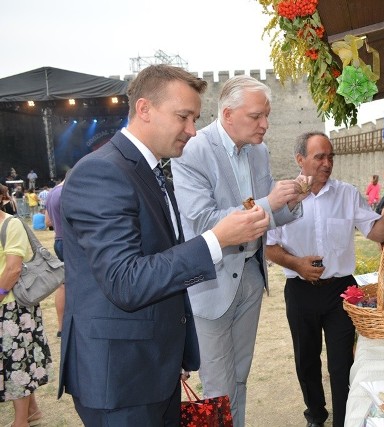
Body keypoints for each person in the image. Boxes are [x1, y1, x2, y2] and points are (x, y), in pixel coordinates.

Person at [58, 64, 271, 426]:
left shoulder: (152, 171)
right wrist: (217, 239)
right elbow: (126, 280)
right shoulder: (103, 172)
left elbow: (161, 263)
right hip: (121, 379)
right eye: (183, 117)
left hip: (152, 366)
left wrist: (175, 355)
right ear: (144, 110)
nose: (192, 130)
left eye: (195, 118)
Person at [172, 74, 309, 427]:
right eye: (256, 116)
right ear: (227, 114)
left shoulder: (258, 151)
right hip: (211, 283)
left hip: (249, 274)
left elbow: (266, 216)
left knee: (240, 376)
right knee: (218, 384)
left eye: (267, 115)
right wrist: (268, 200)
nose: (265, 124)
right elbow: (204, 222)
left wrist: (292, 201)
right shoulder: (194, 150)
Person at [265, 132, 384, 427]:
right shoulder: (281, 197)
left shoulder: (347, 194)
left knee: (342, 364)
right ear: (300, 159)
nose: (327, 163)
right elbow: (268, 246)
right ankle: (316, 415)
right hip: (300, 289)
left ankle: (344, 421)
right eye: (319, 157)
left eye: (331, 157)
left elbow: (376, 233)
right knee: (306, 360)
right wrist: (296, 264)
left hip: (342, 291)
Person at [0, 208, 52, 427]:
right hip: (7, 303)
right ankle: (32, 410)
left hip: (12, 304)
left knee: (16, 363)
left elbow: (13, 268)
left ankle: (20, 422)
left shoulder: (11, 224)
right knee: (15, 359)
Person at [45, 176, 66, 337]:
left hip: (58, 240)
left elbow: (48, 222)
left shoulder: (52, 193)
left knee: (63, 285)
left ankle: (61, 327)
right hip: (71, 242)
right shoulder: (68, 191)